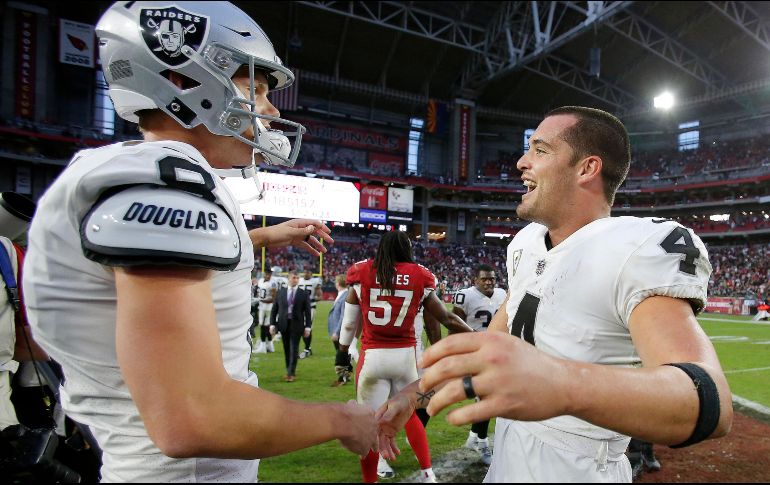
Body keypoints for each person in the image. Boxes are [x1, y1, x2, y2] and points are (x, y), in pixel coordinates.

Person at [22, 2, 377, 482]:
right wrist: (340, 419)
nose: (269, 109)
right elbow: (191, 416)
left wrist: (261, 237)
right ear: (183, 81)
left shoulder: (128, 172)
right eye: (254, 88)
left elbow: (157, 274)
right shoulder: (164, 182)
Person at [376, 106, 733, 483]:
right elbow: (491, 344)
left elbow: (708, 401)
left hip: (578, 468)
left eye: (540, 150)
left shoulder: (637, 247)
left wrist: (560, 383)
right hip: (510, 449)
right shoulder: (526, 243)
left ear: (586, 168)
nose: (521, 162)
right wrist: (415, 396)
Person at [337, 231, 473, 483]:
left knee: (370, 423)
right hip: (405, 358)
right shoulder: (420, 274)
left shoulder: (361, 271)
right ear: (406, 248)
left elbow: (348, 326)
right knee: (409, 414)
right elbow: (445, 318)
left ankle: (373, 477)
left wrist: (342, 353)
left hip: (373, 357)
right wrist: (478, 337)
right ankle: (427, 473)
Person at [450, 264, 507, 466]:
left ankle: (474, 436)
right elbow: (454, 325)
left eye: (491, 279)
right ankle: (482, 442)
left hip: (495, 353)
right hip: (474, 353)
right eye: (484, 279)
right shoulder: (465, 296)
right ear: (475, 280)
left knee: (487, 398)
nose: (489, 282)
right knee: (488, 398)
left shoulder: (502, 294)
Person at [270, 271, 312, 382]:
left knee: (294, 349)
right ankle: (288, 370)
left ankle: (291, 373)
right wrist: (272, 324)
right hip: (283, 324)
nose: (296, 279)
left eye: (297, 278)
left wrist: (308, 327)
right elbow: (274, 310)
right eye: (294, 277)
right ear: (288, 278)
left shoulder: (303, 293)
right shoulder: (281, 292)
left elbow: (308, 312)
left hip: (297, 325)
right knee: (286, 349)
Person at [329, 274, 353, 386]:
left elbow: (343, 316)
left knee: (341, 355)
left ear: (337, 284)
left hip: (340, 331)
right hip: (339, 330)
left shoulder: (344, 296)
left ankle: (342, 377)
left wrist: (336, 332)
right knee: (343, 354)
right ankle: (347, 374)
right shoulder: (343, 295)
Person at [298, 268, 323, 358]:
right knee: (300, 327)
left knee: (307, 328)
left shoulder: (315, 281)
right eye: (304, 271)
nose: (305, 273)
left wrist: (309, 300)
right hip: (299, 308)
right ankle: (308, 348)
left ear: (311, 273)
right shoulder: (299, 280)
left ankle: (307, 349)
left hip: (310, 308)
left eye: (307, 272)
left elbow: (320, 296)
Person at [253, 267, 277, 353]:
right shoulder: (260, 281)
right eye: (267, 273)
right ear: (264, 273)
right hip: (262, 306)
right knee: (264, 326)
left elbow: (274, 298)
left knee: (264, 326)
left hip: (268, 307)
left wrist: (260, 300)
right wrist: (257, 298)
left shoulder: (272, 283)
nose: (268, 275)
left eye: (269, 273)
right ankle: (270, 346)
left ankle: (263, 346)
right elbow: (258, 292)